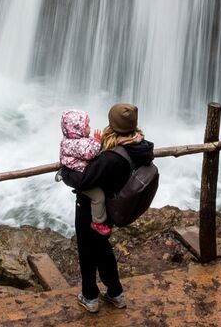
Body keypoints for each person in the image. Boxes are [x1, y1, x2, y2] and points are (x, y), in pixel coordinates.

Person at [69, 102, 153, 313]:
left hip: (93, 209)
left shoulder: (112, 157)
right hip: (114, 206)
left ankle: (89, 297)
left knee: (87, 252)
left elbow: (83, 180)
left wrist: (65, 171)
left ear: (113, 123)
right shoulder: (139, 145)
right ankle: (115, 292)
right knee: (103, 249)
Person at [57, 109, 112, 235]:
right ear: (76, 129)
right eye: (86, 126)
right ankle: (98, 222)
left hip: (79, 173)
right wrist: (98, 142)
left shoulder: (73, 140)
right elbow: (89, 153)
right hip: (79, 176)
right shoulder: (74, 144)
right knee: (98, 197)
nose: (89, 128)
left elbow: (86, 147)